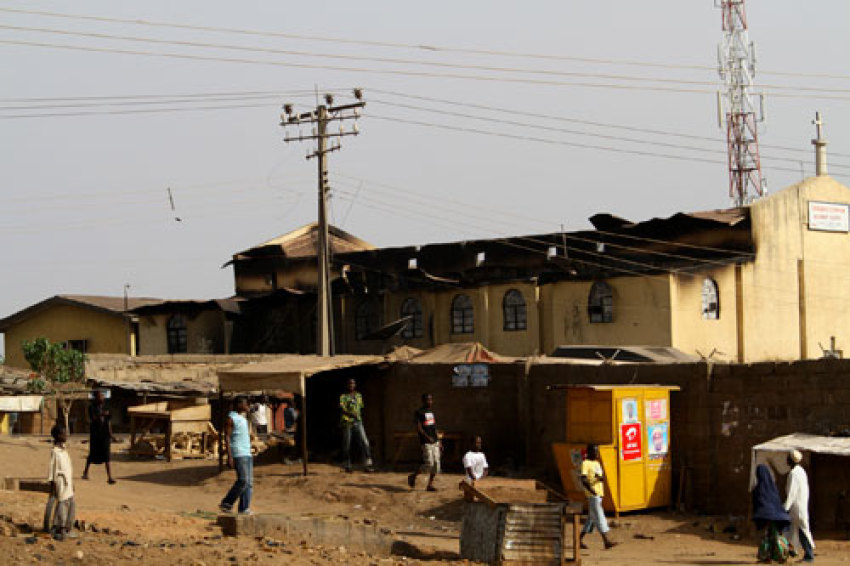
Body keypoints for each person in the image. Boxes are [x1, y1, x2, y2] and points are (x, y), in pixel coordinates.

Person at [219, 397, 254, 515]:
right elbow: (227, 438)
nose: (247, 405)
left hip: (247, 453)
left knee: (249, 483)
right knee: (243, 480)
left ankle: (244, 508)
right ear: (238, 404)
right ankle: (227, 502)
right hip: (239, 453)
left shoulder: (242, 418)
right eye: (245, 403)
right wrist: (229, 456)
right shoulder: (231, 418)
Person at [579, 444, 617, 550]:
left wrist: (600, 478)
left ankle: (579, 540)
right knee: (600, 516)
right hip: (593, 495)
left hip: (599, 494)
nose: (596, 453)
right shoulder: (585, 463)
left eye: (597, 451)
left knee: (590, 519)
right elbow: (583, 479)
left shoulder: (597, 463)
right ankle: (606, 541)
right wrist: (592, 491)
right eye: (595, 451)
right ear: (589, 452)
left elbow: (600, 477)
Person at [751, 464, 792, 563]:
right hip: (778, 516)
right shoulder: (773, 487)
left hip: (764, 516)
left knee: (764, 537)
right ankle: (779, 554)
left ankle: (765, 556)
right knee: (776, 535)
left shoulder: (758, 488)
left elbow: (756, 504)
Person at [47, 423, 77, 540]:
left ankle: (67, 527)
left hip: (68, 481)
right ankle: (59, 528)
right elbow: (52, 469)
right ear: (59, 436)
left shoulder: (64, 450)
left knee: (71, 504)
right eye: (64, 433)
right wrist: (53, 483)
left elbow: (68, 467)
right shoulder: (55, 452)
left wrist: (72, 482)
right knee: (62, 504)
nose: (66, 435)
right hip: (60, 481)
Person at [785, 450, 815, 562]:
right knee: (796, 531)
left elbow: (792, 493)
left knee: (802, 531)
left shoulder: (794, 474)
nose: (786, 459)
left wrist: (785, 508)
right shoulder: (801, 471)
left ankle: (809, 555)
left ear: (791, 460)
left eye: (788, 458)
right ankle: (793, 552)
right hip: (800, 505)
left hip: (796, 507)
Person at [339, 378, 375, 473]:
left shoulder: (359, 396)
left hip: (358, 422)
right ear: (347, 385)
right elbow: (342, 409)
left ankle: (367, 465)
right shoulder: (343, 396)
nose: (351, 385)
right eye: (350, 383)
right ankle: (347, 465)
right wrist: (351, 414)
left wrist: (357, 415)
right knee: (347, 444)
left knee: (364, 442)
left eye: (353, 383)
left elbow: (360, 407)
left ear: (355, 385)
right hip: (347, 422)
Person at [82, 390, 117, 484]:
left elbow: (108, 421)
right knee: (92, 454)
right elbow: (93, 418)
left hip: (105, 435)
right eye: (100, 396)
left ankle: (109, 477)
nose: (102, 397)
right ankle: (85, 472)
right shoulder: (91, 407)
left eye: (102, 396)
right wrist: (101, 414)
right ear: (96, 398)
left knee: (107, 455)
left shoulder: (106, 407)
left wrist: (111, 434)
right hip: (95, 434)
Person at [408, 393, 440, 492]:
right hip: (425, 442)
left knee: (436, 465)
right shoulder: (419, 412)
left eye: (431, 400)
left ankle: (429, 485)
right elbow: (419, 428)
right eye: (427, 400)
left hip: (435, 442)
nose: (430, 402)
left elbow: (434, 428)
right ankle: (413, 476)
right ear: (423, 401)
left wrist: (439, 441)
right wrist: (427, 437)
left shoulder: (431, 412)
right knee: (429, 464)